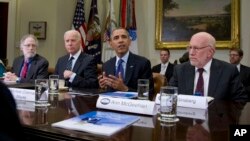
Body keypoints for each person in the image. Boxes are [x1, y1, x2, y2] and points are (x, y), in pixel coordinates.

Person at [169, 32, 247, 101]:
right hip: (186, 116)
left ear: (210, 52)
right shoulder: (180, 70)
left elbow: (241, 100)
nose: (191, 53)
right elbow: (169, 96)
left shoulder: (228, 71)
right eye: (190, 47)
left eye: (196, 48)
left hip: (217, 116)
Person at [98, 28, 154, 100]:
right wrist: (103, 87)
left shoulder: (143, 63)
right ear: (111, 44)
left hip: (133, 107)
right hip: (112, 106)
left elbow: (148, 94)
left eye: (124, 37)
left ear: (129, 42)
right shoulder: (106, 65)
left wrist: (125, 89)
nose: (120, 40)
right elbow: (107, 93)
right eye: (116, 38)